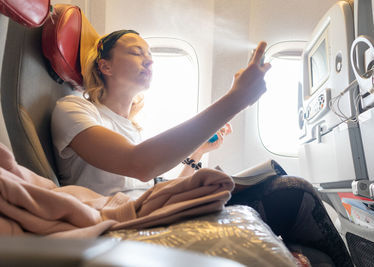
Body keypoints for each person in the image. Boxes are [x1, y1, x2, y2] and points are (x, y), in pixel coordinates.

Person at [52, 30, 353, 266]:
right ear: (104, 65)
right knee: (293, 194)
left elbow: (155, 188)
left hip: (144, 209)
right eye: (136, 52)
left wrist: (198, 155)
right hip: (116, 219)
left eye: (151, 54)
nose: (149, 60)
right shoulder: (74, 109)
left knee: (286, 191)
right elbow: (138, 165)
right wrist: (236, 99)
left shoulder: (133, 128)